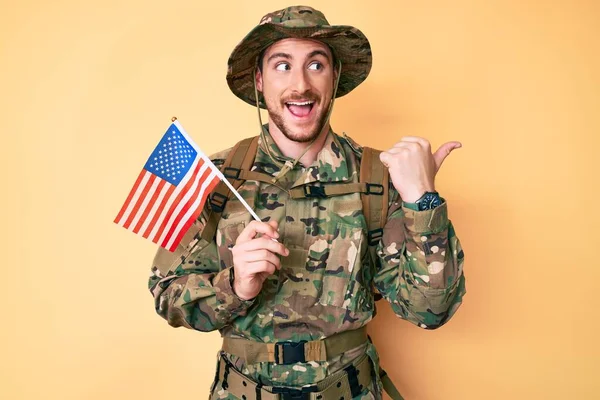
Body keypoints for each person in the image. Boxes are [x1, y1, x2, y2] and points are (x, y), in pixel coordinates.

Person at [148, 5, 466, 400]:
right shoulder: (216, 177)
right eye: (282, 66)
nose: (300, 84)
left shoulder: (378, 178)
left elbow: (428, 311)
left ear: (334, 78)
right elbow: (169, 298)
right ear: (260, 80)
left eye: (316, 65)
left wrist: (422, 203)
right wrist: (236, 285)